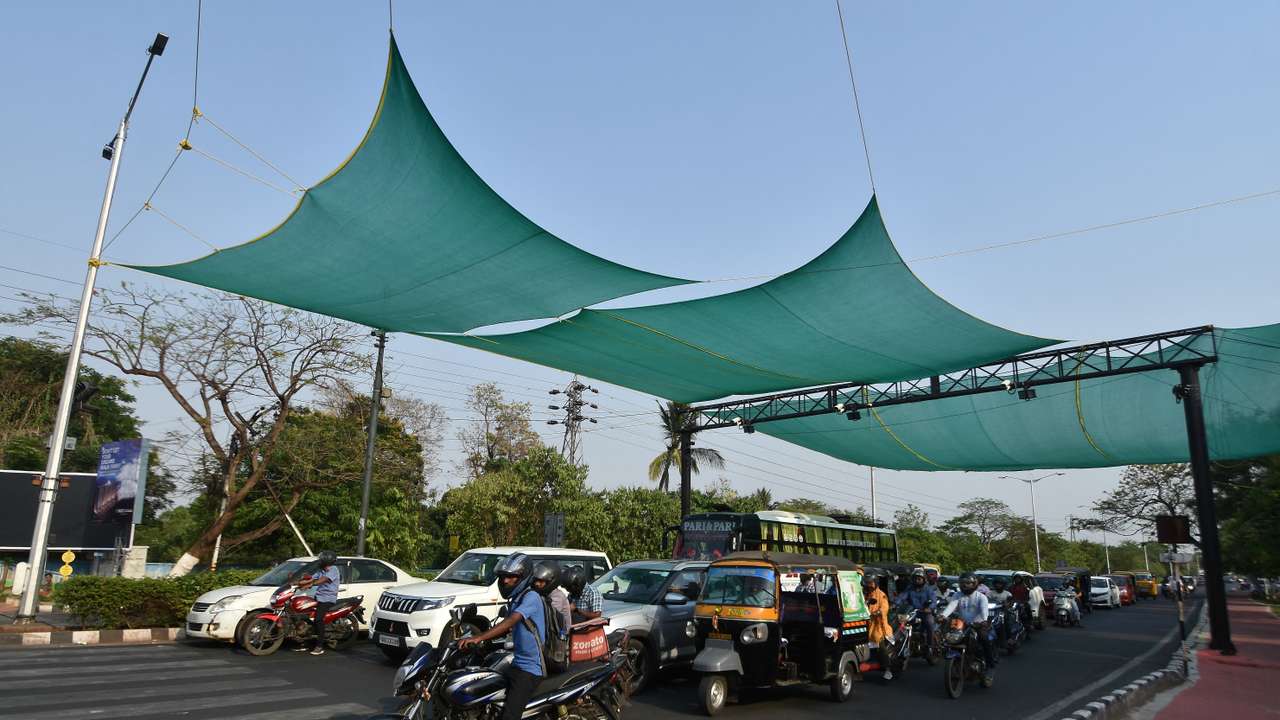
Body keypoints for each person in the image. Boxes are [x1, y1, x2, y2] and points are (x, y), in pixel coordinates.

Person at [458, 553, 547, 720]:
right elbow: (507, 628)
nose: (505, 581)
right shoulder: (517, 599)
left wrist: (480, 637)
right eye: (503, 576)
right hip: (516, 663)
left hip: (530, 670)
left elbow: (511, 621)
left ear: (523, 577)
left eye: (511, 577)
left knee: (509, 716)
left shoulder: (531, 597)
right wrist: (482, 641)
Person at [940, 572, 995, 682]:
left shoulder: (981, 597)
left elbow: (984, 611)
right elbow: (951, 606)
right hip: (962, 624)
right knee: (947, 637)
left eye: (968, 583)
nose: (965, 585)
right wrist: (943, 616)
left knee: (984, 639)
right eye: (963, 583)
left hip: (978, 624)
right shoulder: (957, 595)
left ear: (974, 584)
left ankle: (989, 666)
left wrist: (984, 621)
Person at [294, 550, 340, 656]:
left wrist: (310, 584)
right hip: (318, 598)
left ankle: (319, 646)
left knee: (318, 619)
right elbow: (311, 579)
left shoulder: (333, 569)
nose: (319, 561)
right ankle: (305, 641)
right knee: (304, 616)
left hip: (327, 599)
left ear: (326, 561)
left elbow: (321, 580)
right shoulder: (321, 570)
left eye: (321, 560)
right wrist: (298, 582)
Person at [895, 568, 937, 653]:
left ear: (924, 580)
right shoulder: (909, 588)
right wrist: (895, 604)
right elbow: (902, 597)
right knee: (900, 622)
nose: (917, 581)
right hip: (912, 612)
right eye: (915, 578)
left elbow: (933, 601)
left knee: (930, 623)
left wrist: (929, 608)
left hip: (924, 612)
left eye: (919, 579)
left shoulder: (928, 589)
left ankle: (930, 646)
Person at [863, 574, 895, 680]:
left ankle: (888, 669)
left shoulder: (881, 595)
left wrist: (879, 612)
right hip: (865, 625)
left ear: (875, 583)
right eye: (867, 583)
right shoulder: (863, 594)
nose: (868, 585)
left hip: (878, 626)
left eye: (870, 583)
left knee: (880, 646)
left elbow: (885, 607)